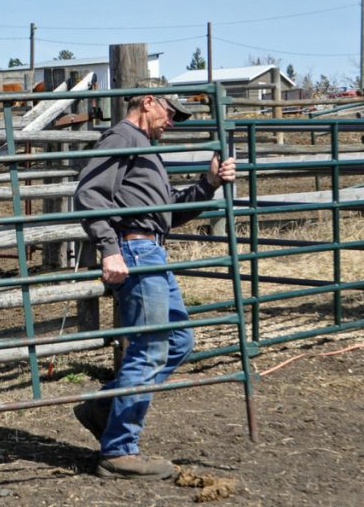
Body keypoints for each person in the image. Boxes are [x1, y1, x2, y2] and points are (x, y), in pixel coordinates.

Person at [72, 93, 236, 480]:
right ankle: (119, 450)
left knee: (178, 341)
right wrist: (109, 249)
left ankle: (104, 408)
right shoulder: (123, 138)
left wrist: (208, 183)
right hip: (135, 250)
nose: (174, 121)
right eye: (171, 112)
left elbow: (165, 214)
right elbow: (88, 194)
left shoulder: (144, 146)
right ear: (148, 102)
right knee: (150, 346)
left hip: (151, 248)